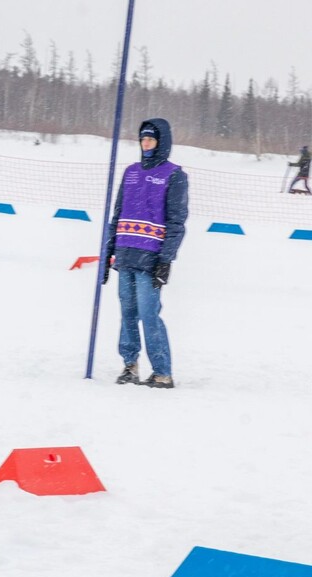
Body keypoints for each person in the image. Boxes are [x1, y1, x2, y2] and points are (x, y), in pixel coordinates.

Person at [101, 118, 188, 389]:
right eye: (143, 139)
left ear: (162, 142)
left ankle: (162, 371)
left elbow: (176, 222)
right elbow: (117, 215)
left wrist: (166, 260)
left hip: (150, 259)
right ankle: (130, 365)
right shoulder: (131, 173)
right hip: (126, 255)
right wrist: (107, 253)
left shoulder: (174, 175)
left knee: (149, 315)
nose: (146, 143)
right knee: (127, 314)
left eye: (151, 139)